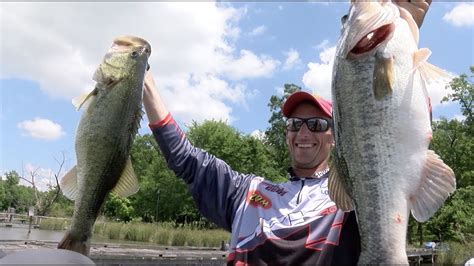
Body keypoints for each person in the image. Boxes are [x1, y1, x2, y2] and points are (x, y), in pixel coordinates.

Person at [143, 1, 432, 264]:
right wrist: (146, 85)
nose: (303, 132)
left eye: (317, 124)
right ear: (286, 135)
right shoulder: (247, 193)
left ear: (335, 136)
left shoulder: (350, 200)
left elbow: (393, 140)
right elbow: (187, 161)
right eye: (295, 124)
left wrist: (408, 31)